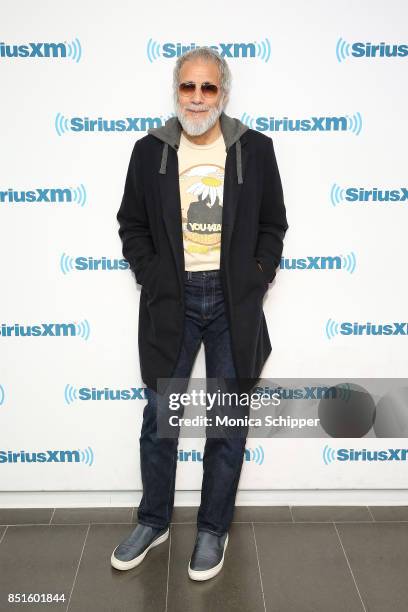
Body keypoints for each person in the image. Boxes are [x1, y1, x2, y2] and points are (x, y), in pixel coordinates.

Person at [111, 46, 288, 581]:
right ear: (176, 90)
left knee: (225, 422)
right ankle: (154, 520)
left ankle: (212, 529)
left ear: (224, 94)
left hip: (233, 300)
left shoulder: (255, 150)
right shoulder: (150, 151)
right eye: (188, 86)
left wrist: (257, 276)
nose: (197, 97)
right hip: (175, 299)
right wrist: (155, 276)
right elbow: (132, 225)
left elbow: (274, 224)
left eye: (208, 88)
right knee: (161, 420)